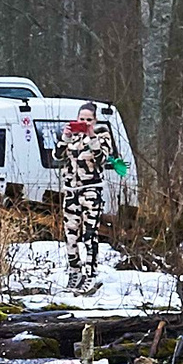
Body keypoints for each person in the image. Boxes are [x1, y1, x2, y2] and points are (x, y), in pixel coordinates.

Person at [58, 103, 112, 295]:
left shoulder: (102, 136)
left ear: (95, 120)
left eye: (89, 119)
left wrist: (91, 136)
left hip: (91, 191)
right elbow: (57, 156)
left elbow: (101, 158)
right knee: (70, 235)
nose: (85, 122)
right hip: (71, 191)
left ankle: (90, 274)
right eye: (82, 119)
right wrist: (65, 137)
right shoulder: (72, 136)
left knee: (90, 235)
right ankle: (74, 273)